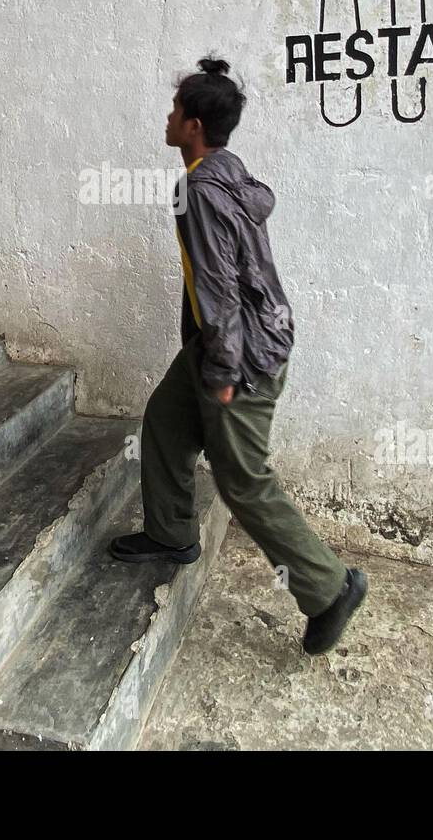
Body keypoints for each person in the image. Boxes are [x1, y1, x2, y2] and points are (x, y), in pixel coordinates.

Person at [109, 57, 368, 655]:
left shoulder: (199, 189)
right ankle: (171, 533)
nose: (168, 118)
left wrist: (224, 371)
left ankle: (329, 589)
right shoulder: (226, 170)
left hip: (241, 351)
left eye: (175, 111)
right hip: (222, 340)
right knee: (166, 420)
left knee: (243, 479)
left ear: (194, 125)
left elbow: (218, 285)